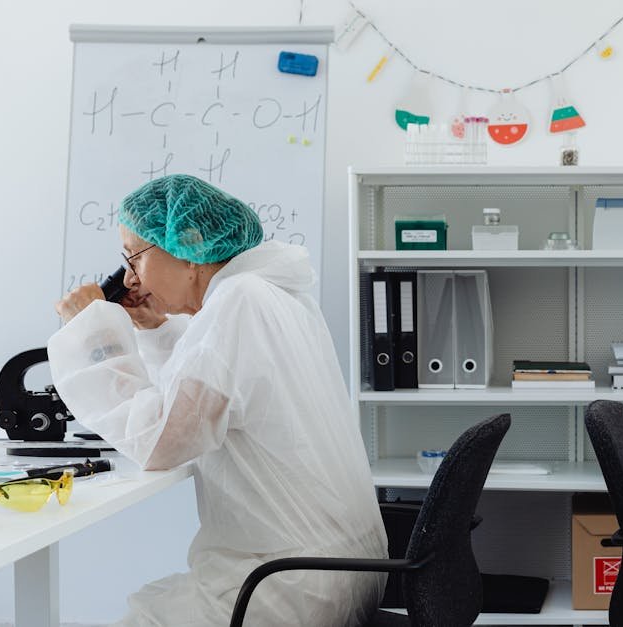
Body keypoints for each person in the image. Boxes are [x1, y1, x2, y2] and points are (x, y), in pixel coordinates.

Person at [48, 174, 387, 626]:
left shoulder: (239, 300)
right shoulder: (269, 293)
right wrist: (155, 327)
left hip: (288, 584)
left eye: (134, 257)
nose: (129, 277)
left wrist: (91, 332)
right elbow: (210, 390)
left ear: (188, 246)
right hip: (339, 569)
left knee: (141, 618)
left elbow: (160, 441)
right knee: (151, 604)